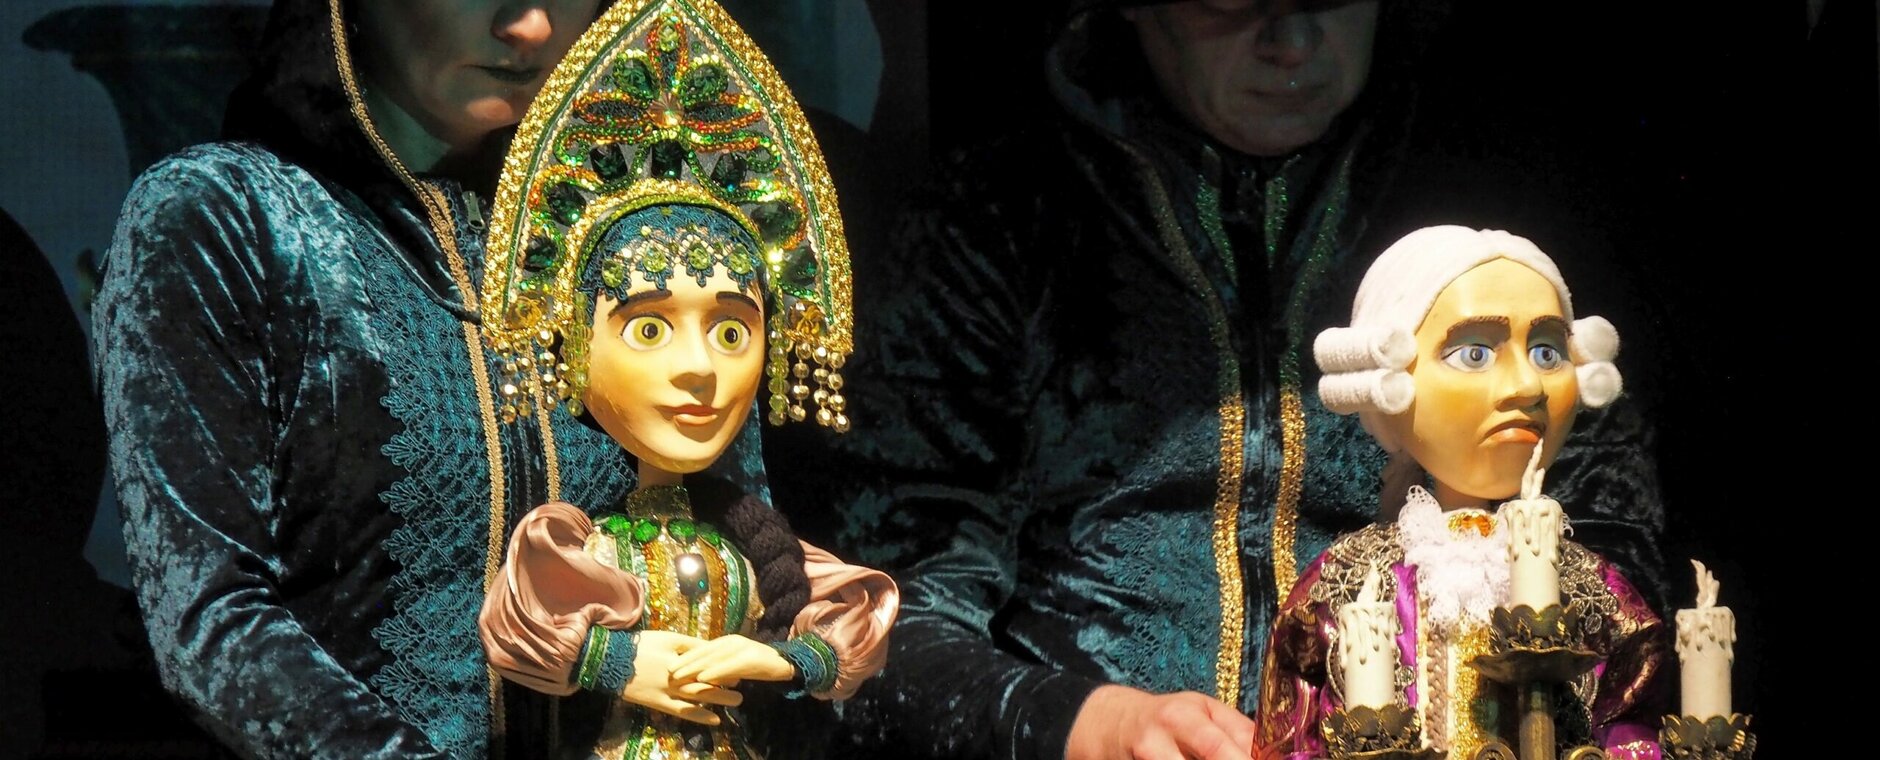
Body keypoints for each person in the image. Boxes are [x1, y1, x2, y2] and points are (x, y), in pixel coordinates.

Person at [762, 2, 1671, 759]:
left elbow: (1611, 556)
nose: (1293, 38)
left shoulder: (1495, 227)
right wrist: (1082, 723)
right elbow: (878, 614)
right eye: (1232, 2)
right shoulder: (996, 223)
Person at [91, 0, 764, 755]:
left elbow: (746, 543)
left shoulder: (642, 233)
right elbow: (214, 623)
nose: (531, 29)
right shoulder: (227, 222)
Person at [468, 4, 897, 756]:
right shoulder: (576, 545)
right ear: (574, 348)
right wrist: (616, 662)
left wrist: (783, 661)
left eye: (732, 332)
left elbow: (850, 625)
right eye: (648, 328)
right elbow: (520, 624)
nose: (699, 367)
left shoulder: (756, 543)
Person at [1255, 226, 1667, 759]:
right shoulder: (1346, 588)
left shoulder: (1596, 596)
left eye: (1547, 352)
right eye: (1474, 353)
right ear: (1389, 379)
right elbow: (1291, 740)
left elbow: (1630, 729)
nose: (1528, 386)